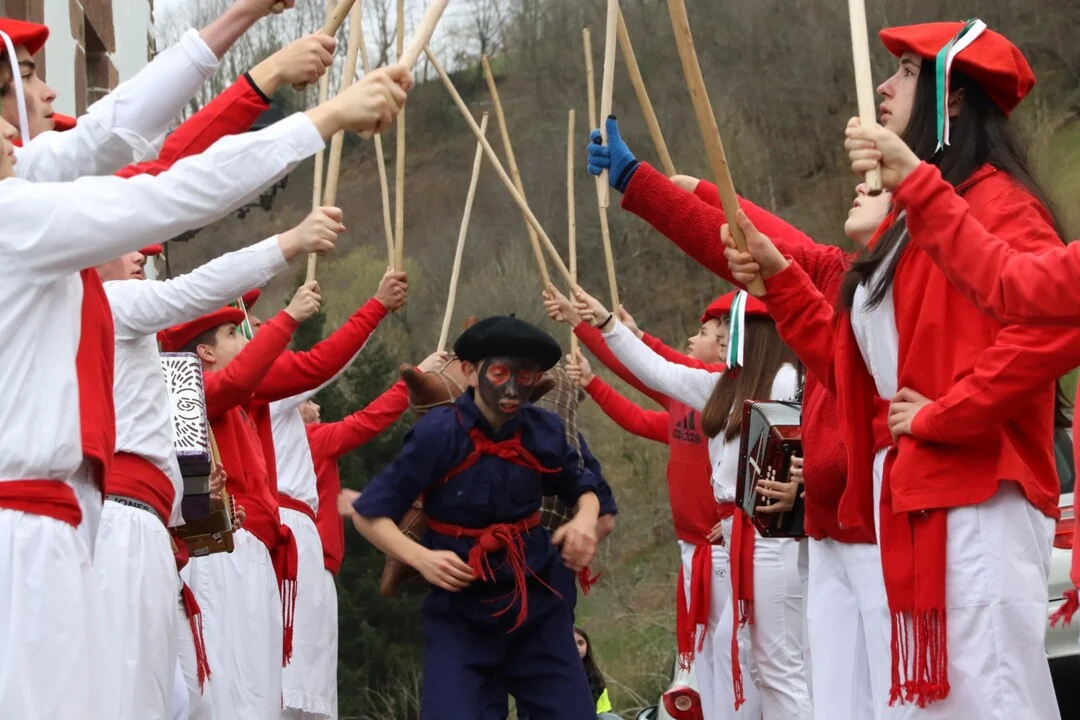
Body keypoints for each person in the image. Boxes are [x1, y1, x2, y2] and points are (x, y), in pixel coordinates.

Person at [0, 40, 410, 720]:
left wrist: (253, 51)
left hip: (163, 530)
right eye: (231, 332)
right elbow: (244, 363)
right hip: (139, 530)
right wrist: (292, 284)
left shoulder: (128, 329)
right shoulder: (135, 323)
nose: (141, 255)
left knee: (199, 698)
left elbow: (154, 168)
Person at [720, 20, 1079, 719]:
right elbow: (852, 364)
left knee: (992, 700)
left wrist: (952, 411)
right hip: (910, 492)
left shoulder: (999, 203)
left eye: (909, 72)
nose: (884, 87)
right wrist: (777, 281)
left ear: (953, 98)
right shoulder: (910, 227)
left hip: (978, 491)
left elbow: (1050, 323)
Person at [585, 112, 895, 718]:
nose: (859, 186)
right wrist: (675, 189)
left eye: (878, 184)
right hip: (793, 536)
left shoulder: (791, 374)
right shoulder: (732, 382)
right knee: (783, 678)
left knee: (796, 675)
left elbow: (771, 256)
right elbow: (764, 244)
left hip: (823, 532)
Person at [348, 316, 602, 719]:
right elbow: (369, 514)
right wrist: (420, 558)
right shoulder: (437, 435)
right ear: (470, 371)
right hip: (460, 614)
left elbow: (582, 487)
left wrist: (585, 519)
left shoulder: (544, 430)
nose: (512, 388)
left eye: (525, 375)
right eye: (499, 373)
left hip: (537, 606)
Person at [547, 288, 742, 717]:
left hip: (723, 547)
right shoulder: (683, 397)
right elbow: (638, 395)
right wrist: (592, 364)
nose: (691, 338)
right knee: (706, 655)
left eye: (702, 333)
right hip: (692, 546)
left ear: (726, 345)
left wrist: (625, 334)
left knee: (733, 653)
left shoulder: (726, 394)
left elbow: (656, 365)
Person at [575, 627, 616, 718]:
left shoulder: (595, 677)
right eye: (571, 643)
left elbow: (605, 711)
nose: (577, 647)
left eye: (580, 643)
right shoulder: (553, 675)